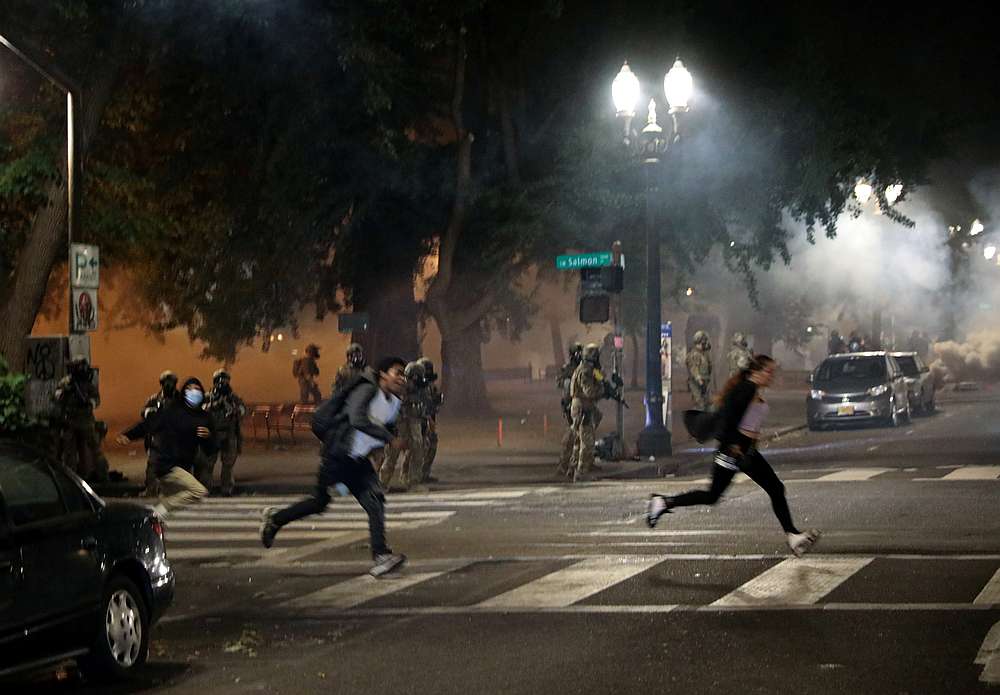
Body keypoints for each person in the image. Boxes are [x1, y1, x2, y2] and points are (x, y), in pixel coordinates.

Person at [646, 355, 821, 557]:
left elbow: (746, 421)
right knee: (713, 496)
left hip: (745, 451)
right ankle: (663, 502)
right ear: (757, 371)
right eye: (769, 371)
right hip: (732, 450)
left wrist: (749, 444)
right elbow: (727, 418)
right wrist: (733, 444)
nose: (772, 376)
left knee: (775, 488)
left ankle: (793, 536)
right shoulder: (746, 388)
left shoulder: (753, 389)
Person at [260, 356, 408, 578]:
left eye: (404, 374)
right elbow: (357, 419)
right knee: (320, 502)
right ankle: (275, 519)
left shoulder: (394, 402)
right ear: (383, 374)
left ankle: (381, 556)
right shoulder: (367, 390)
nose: (402, 378)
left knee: (375, 501)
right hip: (338, 456)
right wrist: (388, 437)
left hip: (358, 460)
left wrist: (380, 447)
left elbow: (377, 429)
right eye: (398, 372)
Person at [117, 377, 215, 518]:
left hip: (182, 464)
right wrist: (129, 435)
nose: (194, 392)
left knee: (169, 497)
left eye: (198, 389)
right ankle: (155, 513)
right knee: (198, 491)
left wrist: (208, 437)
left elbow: (210, 445)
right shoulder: (172, 411)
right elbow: (149, 423)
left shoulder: (201, 417)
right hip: (167, 463)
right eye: (190, 389)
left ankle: (154, 524)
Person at [53, 357, 104, 482]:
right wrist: (65, 392)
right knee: (69, 451)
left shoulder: (87, 382)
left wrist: (88, 402)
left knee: (93, 449)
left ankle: (100, 475)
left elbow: (96, 399)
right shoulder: (67, 382)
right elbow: (56, 396)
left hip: (85, 420)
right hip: (70, 421)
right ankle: (72, 479)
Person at [197, 369, 246, 496]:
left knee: (228, 465)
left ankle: (226, 489)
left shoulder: (233, 398)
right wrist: (214, 405)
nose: (223, 384)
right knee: (207, 464)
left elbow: (242, 410)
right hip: (212, 435)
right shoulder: (207, 397)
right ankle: (205, 489)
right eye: (220, 380)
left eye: (225, 381)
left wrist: (234, 409)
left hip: (229, 434)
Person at [379, 361, 426, 490]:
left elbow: (424, 407)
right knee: (392, 453)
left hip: (414, 421)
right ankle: (382, 482)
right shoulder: (398, 388)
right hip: (399, 423)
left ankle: (413, 480)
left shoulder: (420, 389)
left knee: (417, 447)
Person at [569, 343, 609, 483]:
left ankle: (577, 466)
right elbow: (589, 391)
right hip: (582, 407)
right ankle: (580, 472)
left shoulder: (590, 369)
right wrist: (602, 390)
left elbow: (600, 379)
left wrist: (603, 381)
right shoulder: (585, 371)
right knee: (587, 441)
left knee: (581, 439)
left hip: (585, 406)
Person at [139, 370, 178, 497]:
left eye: (170, 383)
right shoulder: (154, 399)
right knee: (152, 465)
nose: (168, 385)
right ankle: (151, 490)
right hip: (158, 438)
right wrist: (150, 412)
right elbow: (143, 413)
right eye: (165, 383)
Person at [556, 342, 583, 478]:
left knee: (581, 436)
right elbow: (561, 383)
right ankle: (566, 464)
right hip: (571, 405)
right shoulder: (567, 369)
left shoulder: (584, 368)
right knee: (573, 434)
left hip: (581, 405)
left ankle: (578, 463)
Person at [416, 357, 443, 483]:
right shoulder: (414, 387)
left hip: (429, 420)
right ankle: (414, 475)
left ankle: (424, 473)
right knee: (418, 448)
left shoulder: (430, 387)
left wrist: (436, 402)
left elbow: (433, 405)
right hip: (417, 421)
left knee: (431, 445)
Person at [686, 330, 713, 410]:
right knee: (700, 405)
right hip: (697, 384)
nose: (706, 344)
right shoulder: (694, 354)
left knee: (708, 405)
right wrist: (700, 382)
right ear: (700, 342)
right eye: (704, 341)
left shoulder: (704, 354)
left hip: (705, 383)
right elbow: (694, 369)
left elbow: (709, 367)